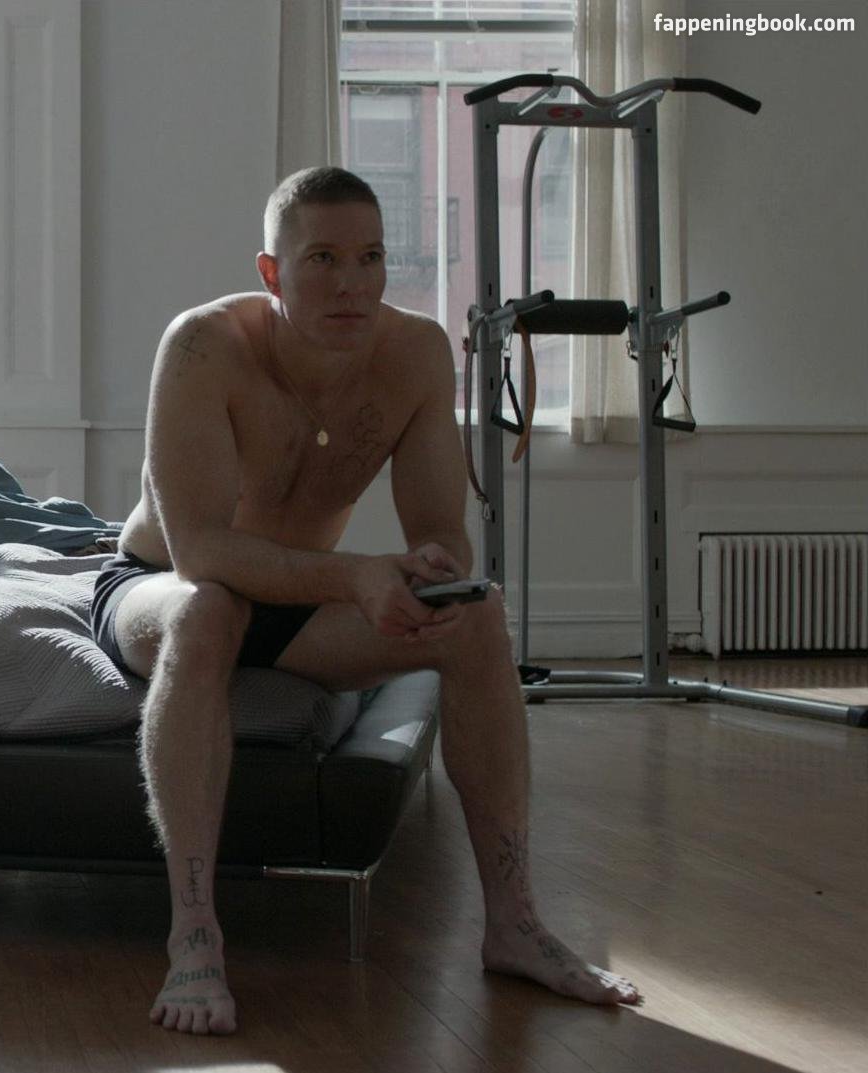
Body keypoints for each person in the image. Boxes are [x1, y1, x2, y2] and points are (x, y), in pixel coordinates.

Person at [93, 166, 641, 1036]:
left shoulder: (414, 354)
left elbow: (443, 531)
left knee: (478, 615)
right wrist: (356, 576)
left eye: (371, 257)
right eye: (322, 259)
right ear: (272, 272)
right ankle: (193, 930)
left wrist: (433, 568)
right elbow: (201, 551)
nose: (351, 282)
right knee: (208, 610)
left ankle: (514, 923)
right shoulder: (203, 346)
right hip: (164, 583)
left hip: (298, 600)